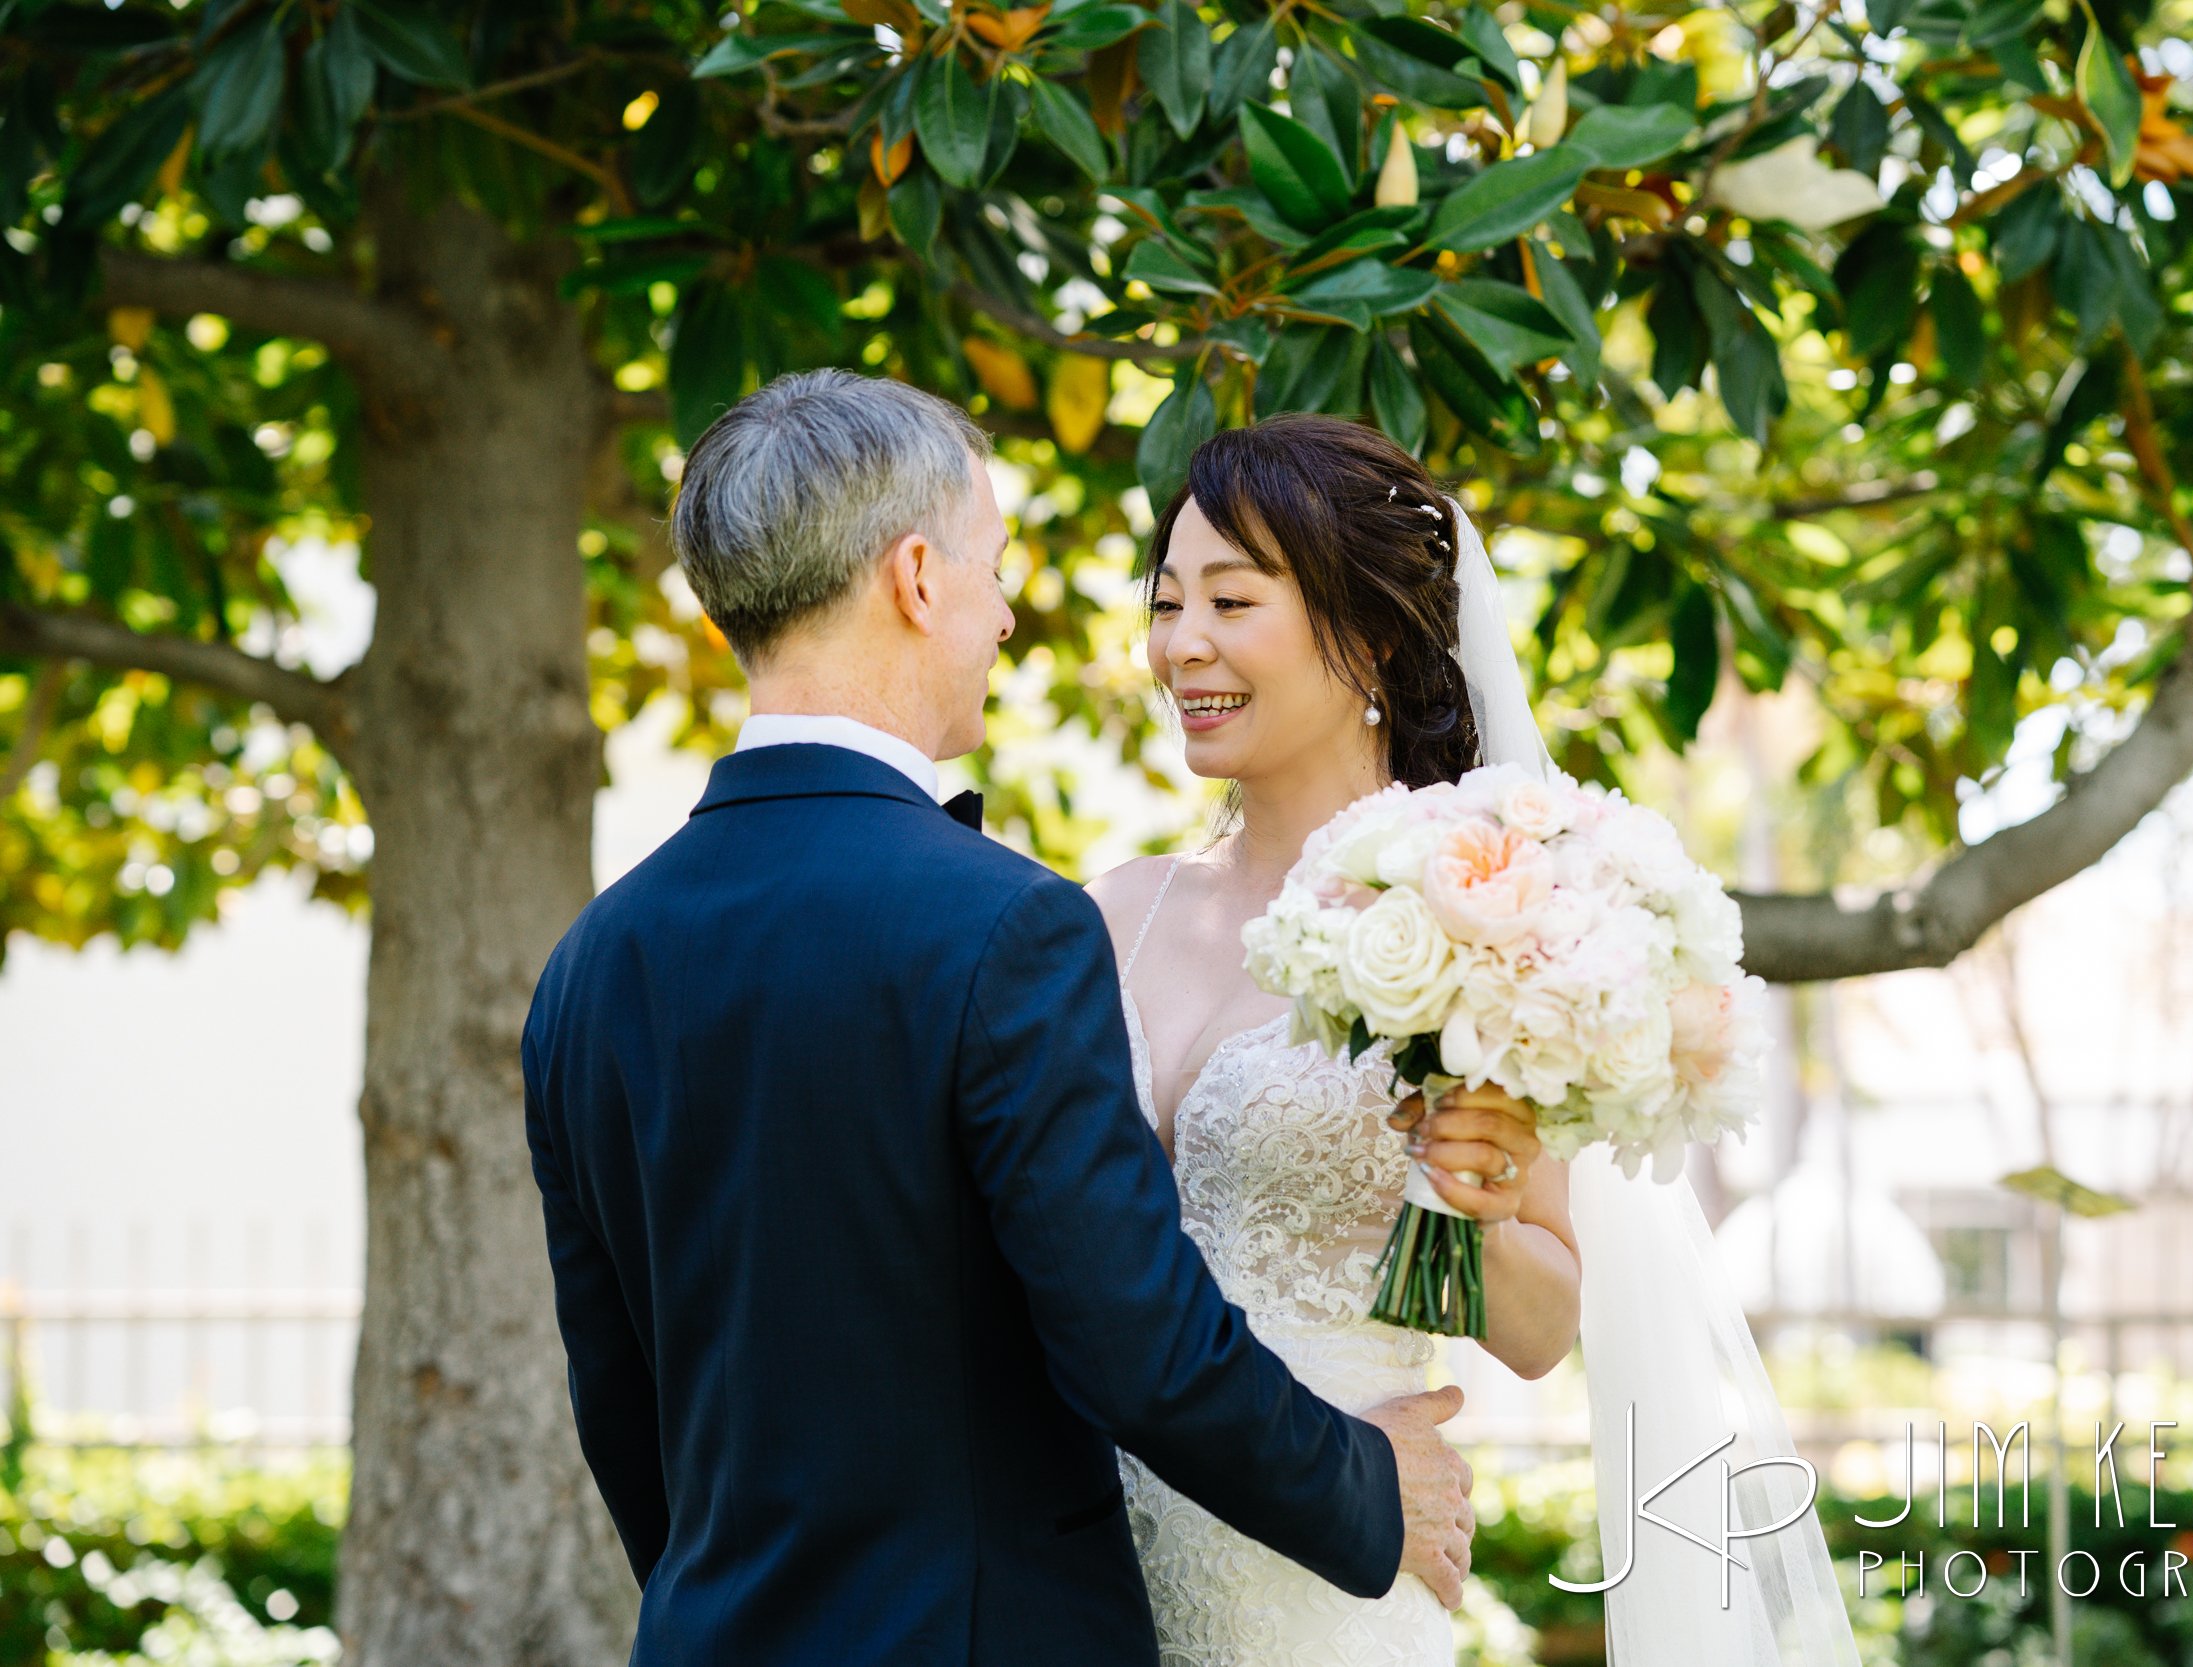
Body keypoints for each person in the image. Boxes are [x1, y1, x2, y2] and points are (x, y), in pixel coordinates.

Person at [519, 372, 1475, 1667]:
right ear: (917, 578)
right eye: (994, 566)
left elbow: (621, 1408)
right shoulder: (1004, 926)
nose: (1009, 612)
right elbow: (1133, 1339)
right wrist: (1367, 1486)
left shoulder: (589, 966)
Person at [1092, 414, 1865, 1667]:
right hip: (1085, 1567)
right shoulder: (1110, 913)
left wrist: (1481, 1193)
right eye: (1168, 600)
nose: (1183, 643)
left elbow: (1537, 1326)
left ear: (1377, 639)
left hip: (1330, 1566)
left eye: (1231, 600)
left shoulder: (1485, 917)